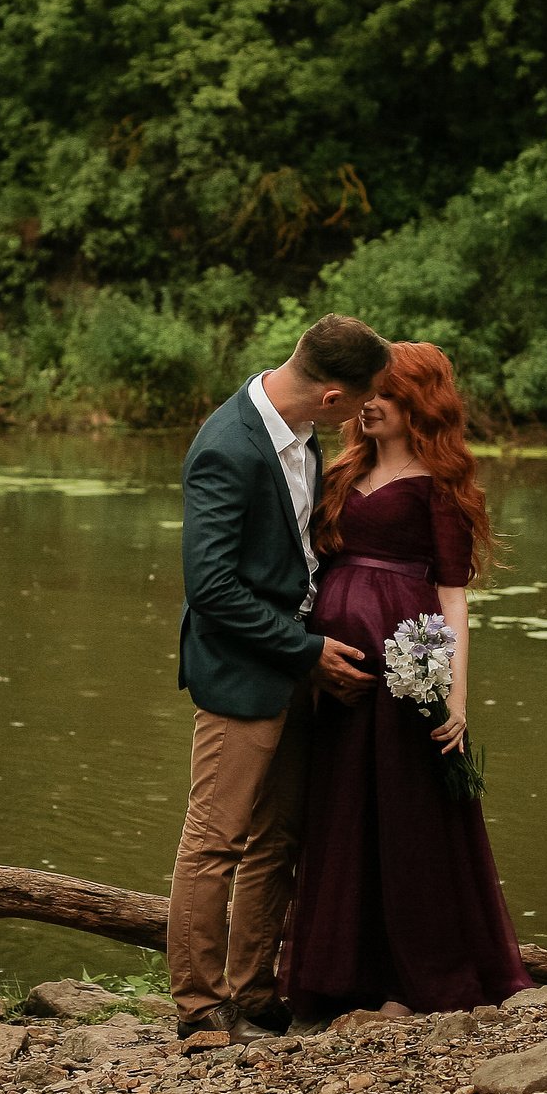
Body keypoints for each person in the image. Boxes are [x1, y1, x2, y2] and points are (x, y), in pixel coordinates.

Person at [279, 341, 535, 1018]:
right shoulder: (339, 470)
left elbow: (452, 594)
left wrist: (455, 695)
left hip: (407, 671)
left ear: (417, 405)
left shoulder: (440, 485)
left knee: (405, 814)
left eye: (384, 396)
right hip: (331, 673)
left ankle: (417, 972)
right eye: (366, 393)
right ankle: (338, 973)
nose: (367, 405)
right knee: (340, 811)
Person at [168, 314, 389, 1042]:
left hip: (297, 665)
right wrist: (305, 650)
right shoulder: (227, 446)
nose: (362, 412)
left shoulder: (303, 435)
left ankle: (254, 991)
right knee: (216, 840)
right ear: (331, 397)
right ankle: (200, 1007)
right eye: (360, 400)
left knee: (278, 838)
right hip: (242, 671)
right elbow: (210, 587)